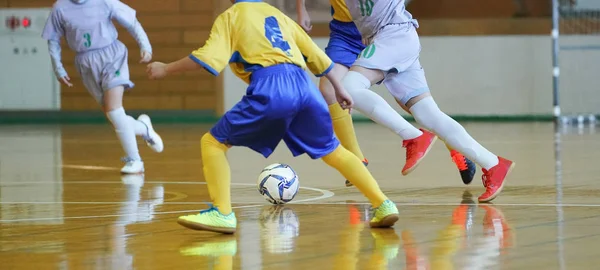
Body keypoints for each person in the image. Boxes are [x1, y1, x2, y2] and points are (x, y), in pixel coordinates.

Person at [146, 0, 399, 234]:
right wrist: (340, 88)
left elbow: (206, 59)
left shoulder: (231, 16)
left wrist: (165, 68)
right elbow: (318, 57)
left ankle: (222, 213)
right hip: (305, 86)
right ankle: (384, 203)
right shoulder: (278, 15)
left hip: (271, 85)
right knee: (334, 151)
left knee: (212, 143)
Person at [342, 0, 515, 202]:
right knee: (427, 114)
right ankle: (494, 164)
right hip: (391, 38)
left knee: (349, 87)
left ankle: (413, 136)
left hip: (393, 35)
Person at [296, 0, 477, 186]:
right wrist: (301, 10)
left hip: (382, 26)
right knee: (328, 90)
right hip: (345, 32)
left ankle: (457, 147)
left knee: (415, 106)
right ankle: (356, 160)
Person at [42, 0, 164, 174]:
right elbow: (53, 40)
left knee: (114, 110)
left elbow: (132, 23)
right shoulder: (59, 8)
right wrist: (58, 68)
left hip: (112, 56)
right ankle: (144, 128)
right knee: (113, 116)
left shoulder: (104, 2)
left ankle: (135, 160)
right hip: (86, 63)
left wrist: (145, 46)